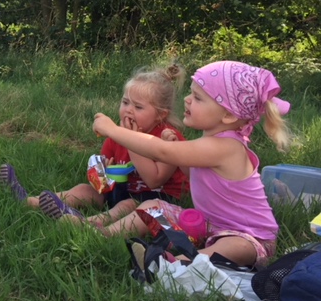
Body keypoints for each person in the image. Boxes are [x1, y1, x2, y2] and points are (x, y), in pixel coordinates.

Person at [90, 60, 292, 268]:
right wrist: (177, 149)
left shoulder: (227, 147)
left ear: (228, 115)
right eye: (191, 93)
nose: (187, 99)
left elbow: (160, 151)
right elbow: (194, 176)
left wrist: (114, 130)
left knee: (237, 247)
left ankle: (171, 264)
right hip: (209, 226)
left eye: (197, 97)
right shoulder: (209, 142)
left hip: (251, 238)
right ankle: (104, 234)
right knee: (153, 207)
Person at [0, 64, 190, 228]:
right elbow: (101, 176)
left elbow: (154, 180)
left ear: (160, 115)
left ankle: (87, 223)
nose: (128, 110)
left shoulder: (169, 138)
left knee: (128, 205)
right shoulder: (117, 134)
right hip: (122, 190)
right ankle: (30, 201)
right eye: (125, 102)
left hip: (155, 199)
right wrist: (101, 173)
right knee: (85, 189)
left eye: (138, 107)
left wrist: (131, 140)